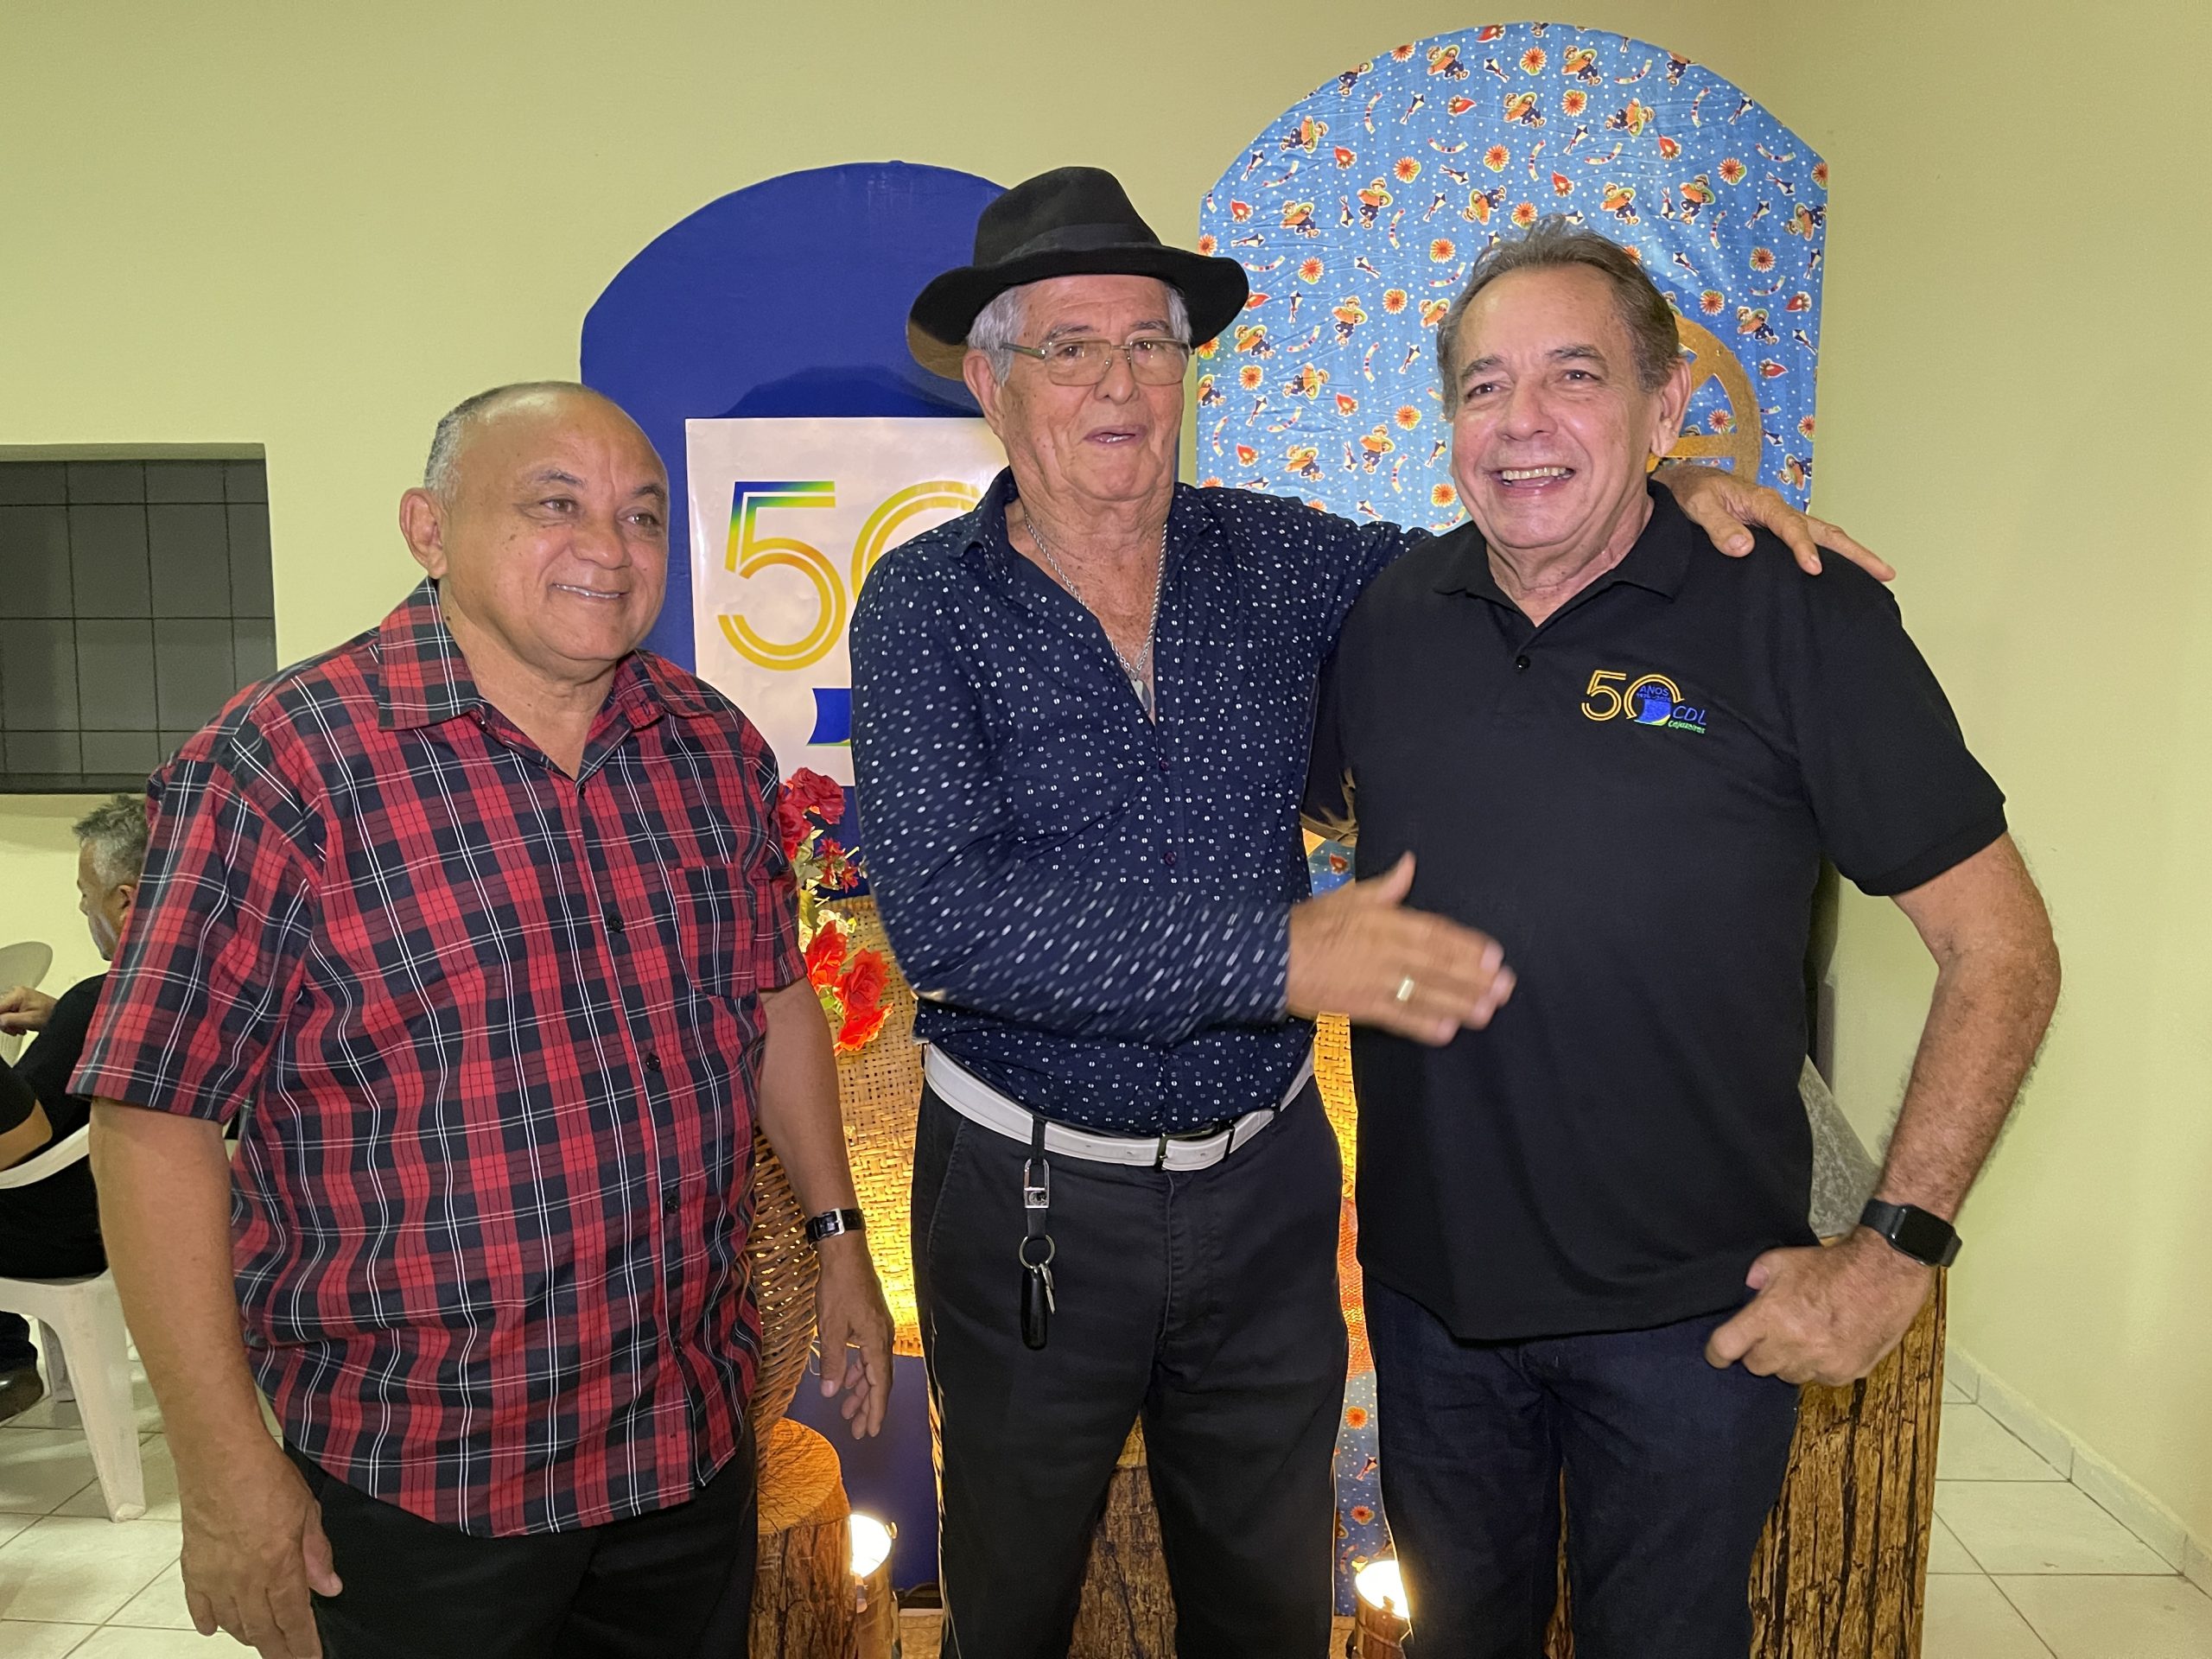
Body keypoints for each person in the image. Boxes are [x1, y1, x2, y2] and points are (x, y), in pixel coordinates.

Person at [851, 167, 1885, 1659]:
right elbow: (950, 922)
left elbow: (1524, 561)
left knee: (1269, 1604)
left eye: (1151, 343)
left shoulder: (1291, 563)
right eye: (1071, 347)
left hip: (1267, 1199)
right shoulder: (923, 606)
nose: (1121, 384)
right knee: (1009, 1606)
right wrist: (1280, 955)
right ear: (992, 385)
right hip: (1028, 1208)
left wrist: (1667, 496)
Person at [1303, 219, 2062, 1659]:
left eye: (1574, 376)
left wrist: (1896, 1252)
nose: (1521, 421)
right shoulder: (1391, 618)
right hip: (1433, 1307)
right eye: (1483, 386)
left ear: (1665, 411)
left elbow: (2004, 950)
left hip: (1697, 1329)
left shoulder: (1800, 615)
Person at [74, 383, 895, 1659]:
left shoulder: (708, 748)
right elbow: (151, 1125)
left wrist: (841, 1238)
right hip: (422, 1480)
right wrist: (225, 1467)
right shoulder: (282, 765)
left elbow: (771, 994)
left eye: (641, 515)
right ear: (429, 528)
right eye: (554, 505)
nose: (608, 548)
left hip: (682, 1444)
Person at [0, 792, 146, 1420]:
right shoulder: (157, 991)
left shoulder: (98, 1000)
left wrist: (73, 1020)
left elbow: (20, 1135)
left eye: (86, 894)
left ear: (126, 899)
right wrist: (64, 1020)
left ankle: (7, 1362)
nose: (82, 908)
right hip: (106, 1213)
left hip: (52, 1227)